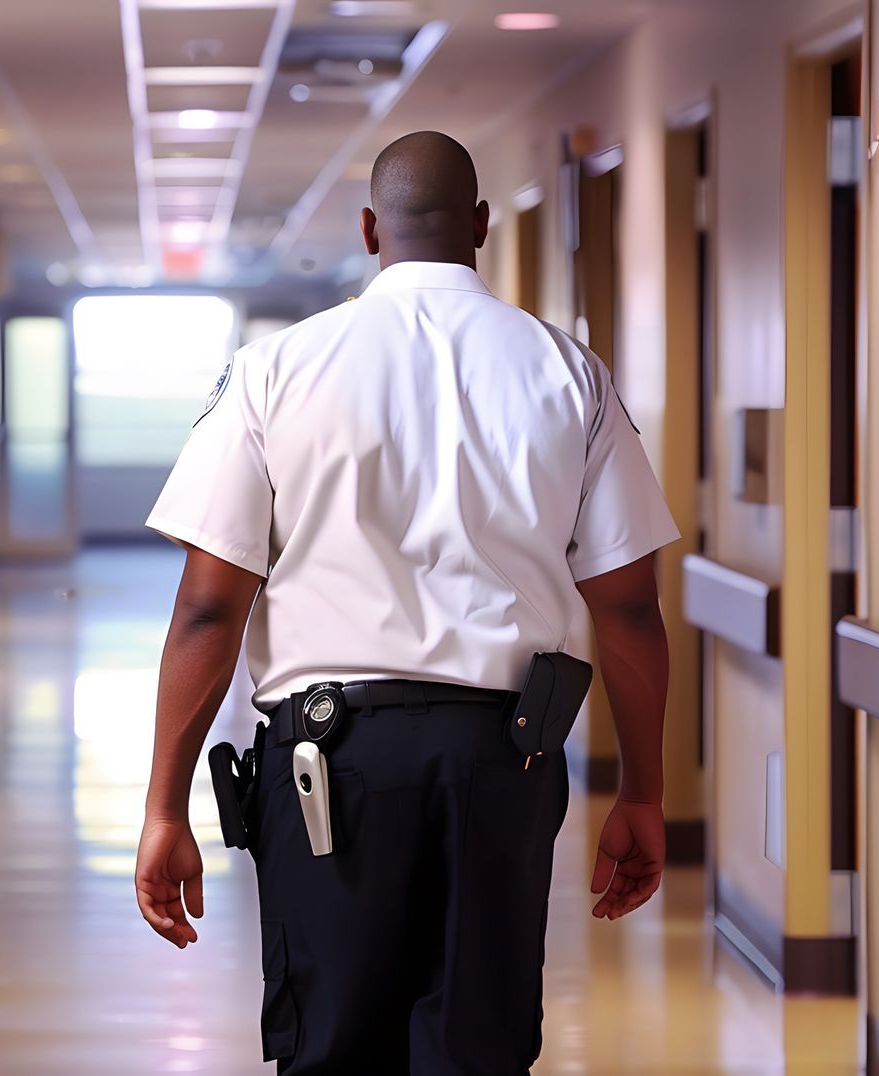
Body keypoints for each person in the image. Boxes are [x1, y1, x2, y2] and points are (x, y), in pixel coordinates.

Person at [132, 130, 679, 1074]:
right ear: (479, 225)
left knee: (335, 1047)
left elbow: (209, 611)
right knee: (480, 1050)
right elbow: (628, 609)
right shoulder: (567, 372)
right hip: (504, 759)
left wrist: (164, 806)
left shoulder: (276, 370)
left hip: (327, 768)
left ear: (369, 228)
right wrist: (643, 790)